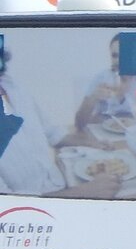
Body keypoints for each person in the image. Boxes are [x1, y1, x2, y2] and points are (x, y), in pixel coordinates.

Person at [0, 43, 122, 198]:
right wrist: (86, 193)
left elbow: (53, 135)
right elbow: (8, 205)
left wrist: (91, 143)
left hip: (62, 183)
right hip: (41, 213)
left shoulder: (14, 88)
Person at [74, 34, 136, 132]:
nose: (118, 61)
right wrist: (93, 98)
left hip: (128, 133)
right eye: (114, 56)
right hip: (102, 131)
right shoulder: (101, 78)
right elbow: (79, 124)